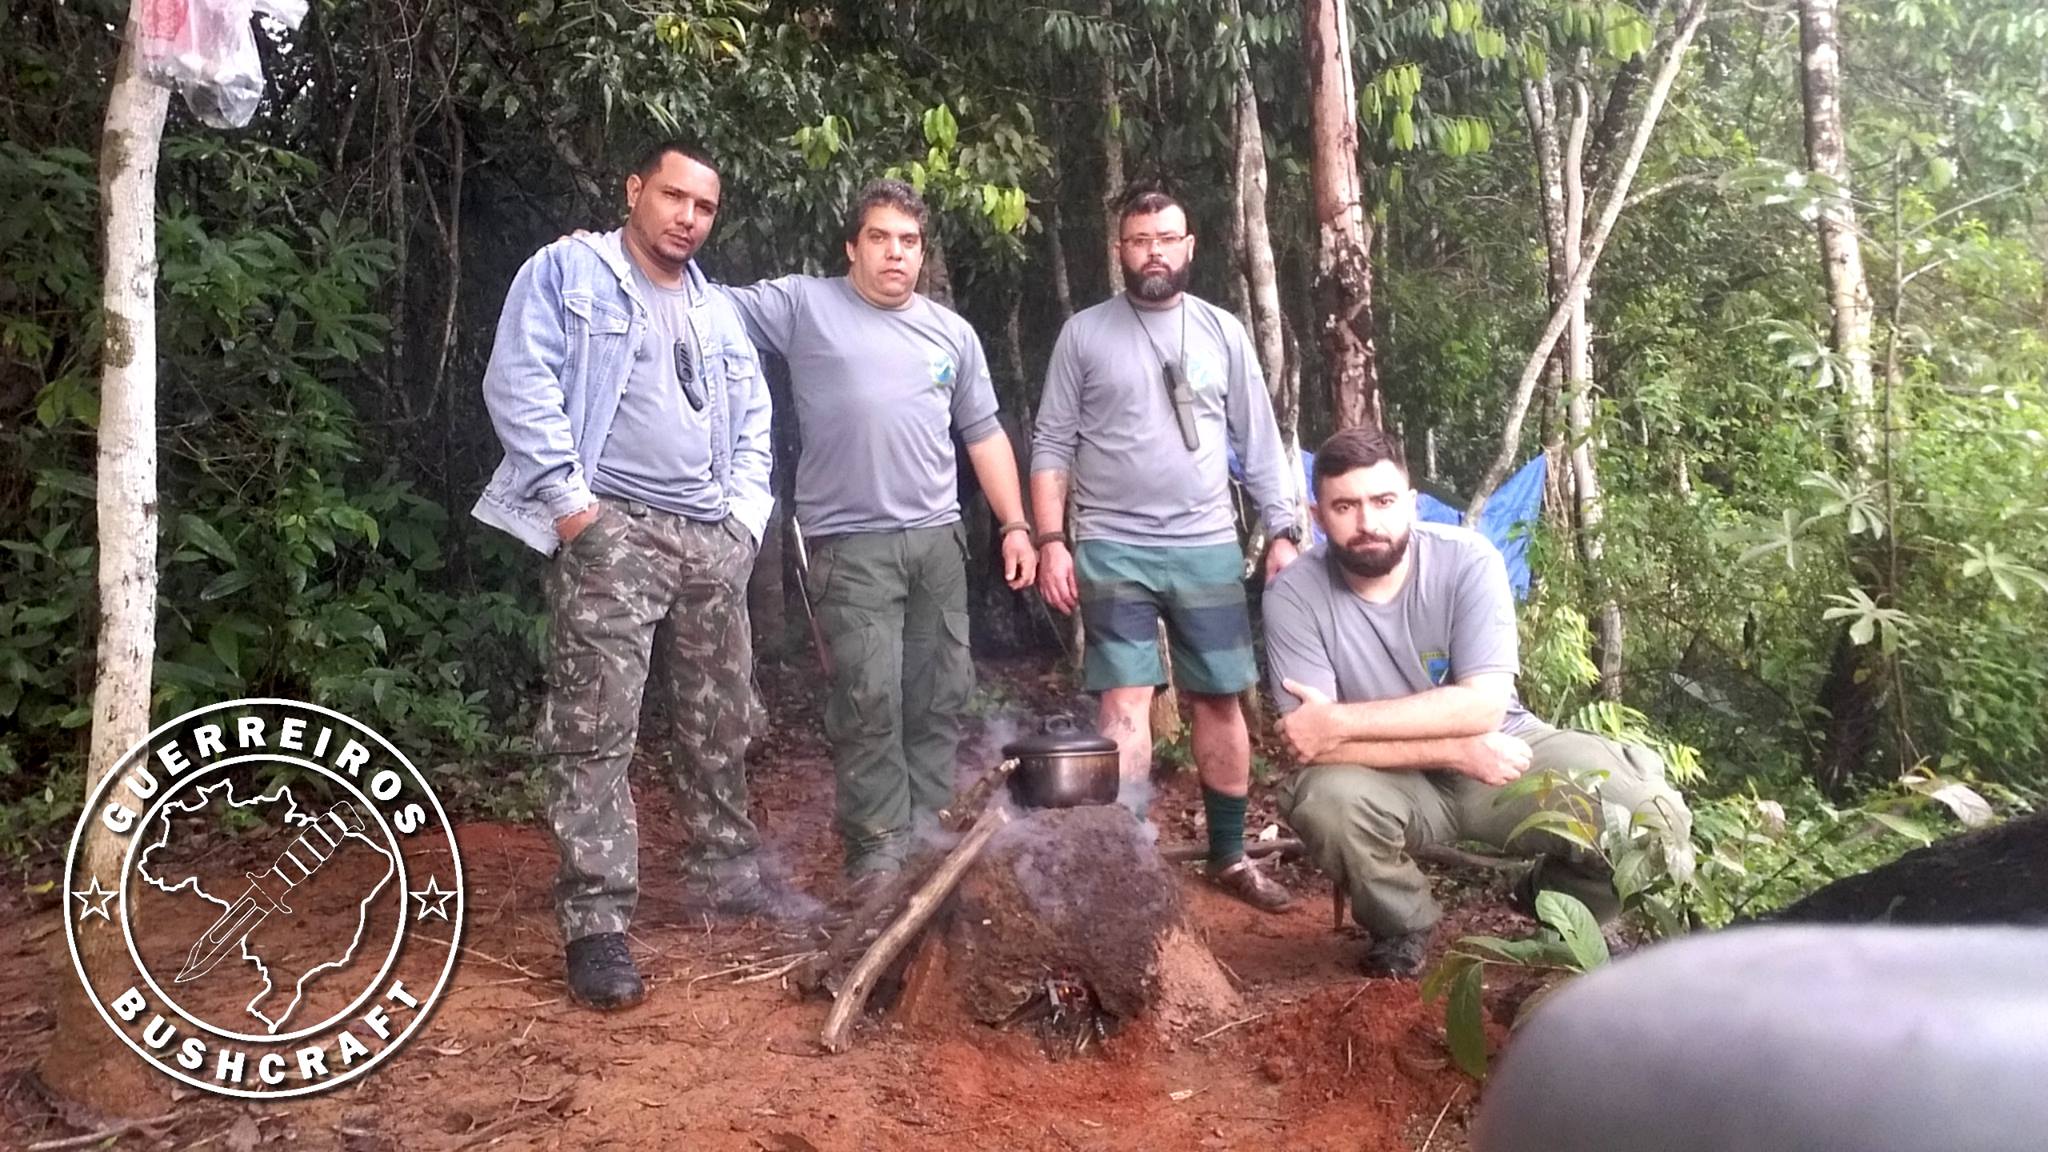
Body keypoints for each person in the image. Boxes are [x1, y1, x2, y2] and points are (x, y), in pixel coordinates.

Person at [474, 140, 794, 1012]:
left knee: (720, 717)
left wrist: (742, 522)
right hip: (613, 528)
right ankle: (596, 922)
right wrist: (573, 510)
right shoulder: (570, 274)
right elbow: (520, 382)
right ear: (634, 191)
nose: (687, 217)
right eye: (673, 196)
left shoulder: (717, 311)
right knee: (594, 724)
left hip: (708, 537)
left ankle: (726, 872)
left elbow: (755, 422)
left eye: (704, 206)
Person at [1262, 425, 1691, 976]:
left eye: (1383, 501)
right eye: (1345, 506)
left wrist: (1339, 722)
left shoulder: (1468, 559)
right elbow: (1311, 743)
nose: (1367, 522)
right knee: (1326, 801)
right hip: (1385, 776)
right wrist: (1454, 750)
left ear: (1412, 504)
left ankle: (1558, 907)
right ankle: (1402, 923)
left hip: (1503, 749)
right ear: (1317, 516)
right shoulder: (1293, 594)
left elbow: (1483, 707)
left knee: (1650, 817)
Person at [722, 179, 1036, 883]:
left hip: (937, 543)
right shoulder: (804, 306)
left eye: (909, 241)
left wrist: (1017, 526)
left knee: (939, 694)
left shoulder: (951, 334)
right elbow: (702, 303)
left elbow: (983, 434)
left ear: (922, 252)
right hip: (850, 545)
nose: (896, 253)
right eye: (880, 238)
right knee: (868, 701)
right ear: (852, 246)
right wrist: (622, 258)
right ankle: (878, 853)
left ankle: (931, 839)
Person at [1030, 185, 1304, 911]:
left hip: (1206, 542)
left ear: (1189, 246)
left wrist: (1282, 529)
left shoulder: (1222, 332)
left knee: (1218, 697)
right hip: (1111, 543)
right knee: (1125, 697)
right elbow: (1052, 441)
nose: (1153, 252)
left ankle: (1230, 855)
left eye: (1166, 238)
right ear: (1120, 249)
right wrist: (1051, 540)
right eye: (1139, 240)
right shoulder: (1085, 334)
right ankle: (1128, 859)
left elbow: (1258, 437)